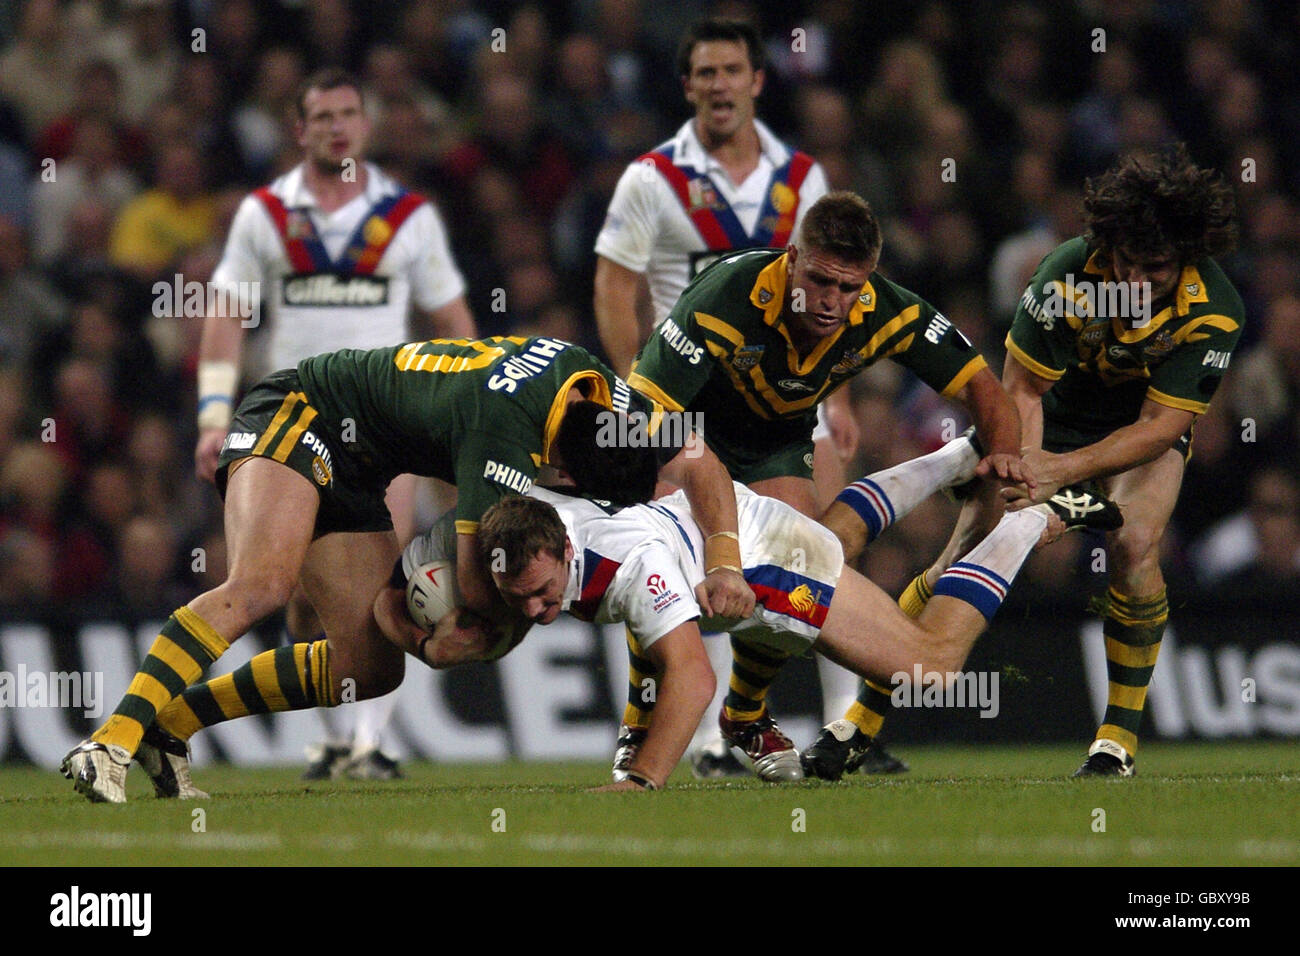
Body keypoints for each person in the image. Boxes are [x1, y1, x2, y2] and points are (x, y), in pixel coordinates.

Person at [61, 337, 753, 803]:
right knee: (263, 584)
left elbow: (696, 455)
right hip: (300, 416)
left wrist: (722, 555)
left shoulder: (603, 400)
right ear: (565, 471)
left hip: (358, 465)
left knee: (369, 666)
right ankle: (109, 741)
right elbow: (483, 574)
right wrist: (465, 641)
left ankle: (171, 724)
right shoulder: (504, 427)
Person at [803, 144, 1244, 779]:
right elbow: (1022, 390)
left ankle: (1115, 743)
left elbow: (1162, 426)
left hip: (1136, 433)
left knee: (1136, 543)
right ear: (1107, 248)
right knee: (966, 549)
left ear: (1187, 260)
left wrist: (1063, 475)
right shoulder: (1065, 274)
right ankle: (859, 726)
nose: (1137, 284)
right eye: (1127, 265)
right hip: (1048, 416)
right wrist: (1025, 470)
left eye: (1157, 269)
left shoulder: (1216, 307)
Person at [387, 448, 1115, 791]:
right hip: (713, 537)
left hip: (768, 562)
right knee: (838, 548)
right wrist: (431, 641)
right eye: (524, 603)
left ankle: (1033, 523)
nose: (539, 615)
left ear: (563, 552)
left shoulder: (629, 567)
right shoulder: (524, 531)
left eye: (546, 597)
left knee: (926, 663)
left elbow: (689, 679)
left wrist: (639, 780)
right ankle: (954, 457)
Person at [617, 188, 1033, 781]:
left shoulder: (889, 310)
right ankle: (639, 723)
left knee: (800, 573)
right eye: (819, 280)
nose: (832, 301)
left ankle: (746, 712)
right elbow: (645, 413)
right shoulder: (723, 297)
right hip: (686, 436)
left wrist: (1008, 454)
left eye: (849, 287)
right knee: (660, 559)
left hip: (774, 447)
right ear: (792, 258)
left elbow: (984, 389)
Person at [592, 17, 862, 777]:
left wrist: (835, 396)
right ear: (687, 87)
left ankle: (756, 726)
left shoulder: (802, 178)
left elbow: (834, 294)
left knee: (809, 554)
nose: (718, 85)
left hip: (782, 401)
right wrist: (636, 395)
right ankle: (642, 723)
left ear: (756, 81)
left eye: (730, 71)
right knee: (666, 562)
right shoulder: (652, 178)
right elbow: (616, 285)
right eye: (703, 73)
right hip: (688, 404)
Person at [193, 68, 477, 781]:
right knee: (297, 595)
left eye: (348, 113)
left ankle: (369, 741)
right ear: (300, 129)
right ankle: (332, 734)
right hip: (293, 425)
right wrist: (212, 415)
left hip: (386, 421)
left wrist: (465, 406)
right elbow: (227, 314)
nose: (337, 127)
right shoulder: (265, 213)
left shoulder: (410, 216)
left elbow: (451, 322)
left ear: (366, 124)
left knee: (385, 578)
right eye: (322, 116)